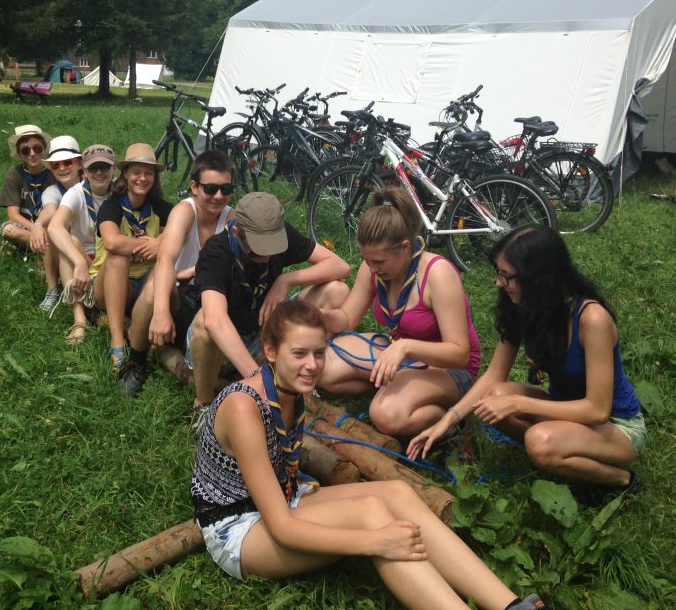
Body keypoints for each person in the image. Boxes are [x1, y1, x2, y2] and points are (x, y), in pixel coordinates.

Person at [190, 299, 550, 610]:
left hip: (284, 496)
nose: (312, 364)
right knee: (371, 515)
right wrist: (375, 542)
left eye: (319, 352)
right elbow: (282, 528)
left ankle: (509, 604)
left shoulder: (288, 386)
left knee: (397, 493)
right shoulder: (244, 406)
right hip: (238, 527)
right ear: (270, 351)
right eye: (299, 353)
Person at [408, 225, 645, 500]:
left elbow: (597, 410)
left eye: (506, 276)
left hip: (616, 426)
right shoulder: (525, 307)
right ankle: (553, 450)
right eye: (498, 273)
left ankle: (622, 480)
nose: (499, 283)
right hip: (563, 410)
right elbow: (493, 375)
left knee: (537, 440)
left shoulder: (592, 319)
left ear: (538, 278)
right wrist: (448, 420)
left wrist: (519, 404)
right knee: (493, 396)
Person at [319, 187, 481, 439]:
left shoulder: (437, 274)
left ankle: (449, 421)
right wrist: (319, 316)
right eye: (366, 260)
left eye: (379, 262)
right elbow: (347, 318)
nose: (371, 268)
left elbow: (460, 354)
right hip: (401, 352)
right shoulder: (373, 267)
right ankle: (398, 389)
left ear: (405, 247)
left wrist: (405, 347)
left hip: (449, 368)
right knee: (323, 367)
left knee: (386, 415)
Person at [187, 192, 350, 432]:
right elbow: (215, 321)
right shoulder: (217, 251)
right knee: (204, 321)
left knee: (336, 291)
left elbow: (340, 266)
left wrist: (286, 280)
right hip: (222, 349)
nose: (265, 258)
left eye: (271, 250)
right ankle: (204, 404)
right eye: (256, 251)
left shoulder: (278, 233)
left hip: (263, 334)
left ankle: (294, 366)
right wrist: (258, 380)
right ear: (236, 233)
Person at [122, 150, 236, 396]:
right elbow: (165, 260)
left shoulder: (231, 218)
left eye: (226, 189)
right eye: (211, 189)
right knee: (154, 288)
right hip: (179, 298)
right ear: (194, 187)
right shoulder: (185, 212)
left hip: (210, 301)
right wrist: (161, 311)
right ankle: (135, 362)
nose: (219, 196)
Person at [90, 143, 172, 377]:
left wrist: (163, 243)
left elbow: (180, 232)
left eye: (149, 173)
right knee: (117, 258)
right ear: (125, 174)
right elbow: (113, 242)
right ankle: (117, 339)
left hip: (144, 286)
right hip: (110, 286)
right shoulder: (112, 206)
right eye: (136, 172)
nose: (142, 178)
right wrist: (155, 244)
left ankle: (154, 324)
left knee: (163, 265)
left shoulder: (161, 207)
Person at [47, 144, 116, 344]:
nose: (99, 172)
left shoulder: (121, 190)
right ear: (84, 171)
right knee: (70, 242)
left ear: (114, 169)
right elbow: (54, 227)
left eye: (104, 167)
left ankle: (101, 310)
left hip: (110, 257)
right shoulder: (76, 193)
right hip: (86, 257)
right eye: (93, 168)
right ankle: (79, 319)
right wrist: (79, 262)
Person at [0, 124, 59, 309]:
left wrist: (42, 228)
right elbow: (12, 214)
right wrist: (35, 229)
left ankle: (38, 253)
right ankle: (45, 252)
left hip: (49, 227)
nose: (32, 154)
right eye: (26, 150)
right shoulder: (14, 175)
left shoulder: (54, 173)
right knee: (9, 230)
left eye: (37, 148)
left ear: (44, 149)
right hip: (27, 227)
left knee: (53, 232)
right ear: (20, 153)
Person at [32, 135, 83, 313]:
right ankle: (52, 288)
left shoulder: (91, 184)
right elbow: (50, 208)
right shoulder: (52, 191)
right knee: (49, 227)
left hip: (92, 245)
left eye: (67, 162)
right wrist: (37, 224)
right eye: (55, 165)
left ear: (79, 163)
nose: (62, 168)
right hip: (68, 247)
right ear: (50, 168)